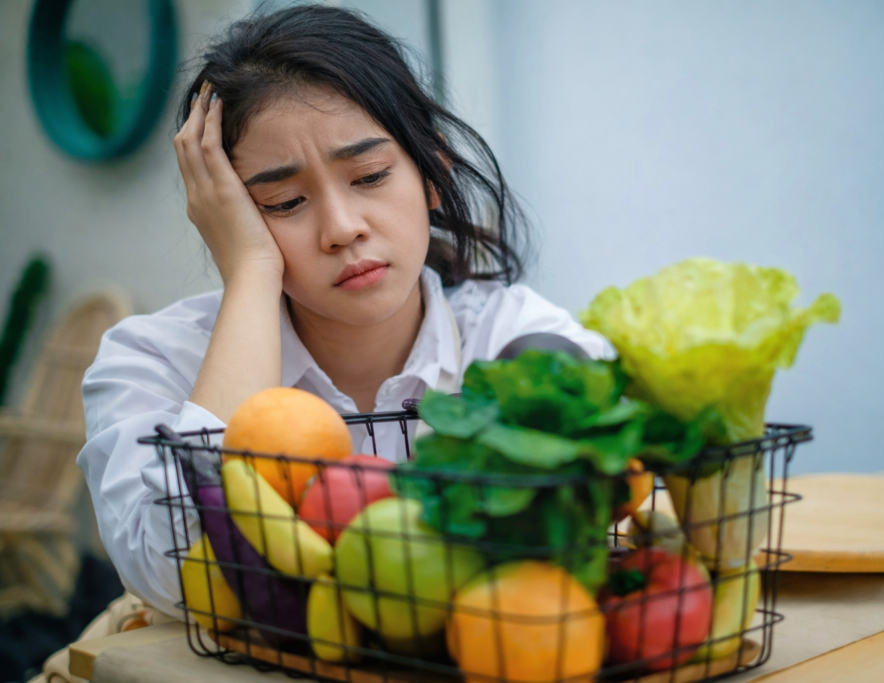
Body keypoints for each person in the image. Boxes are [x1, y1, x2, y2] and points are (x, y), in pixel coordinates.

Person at [34, 7, 607, 680]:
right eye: (283, 203)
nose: (342, 228)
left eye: (368, 177)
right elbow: (177, 568)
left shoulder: (517, 340)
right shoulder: (152, 360)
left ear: (430, 174)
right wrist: (250, 274)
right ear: (230, 215)